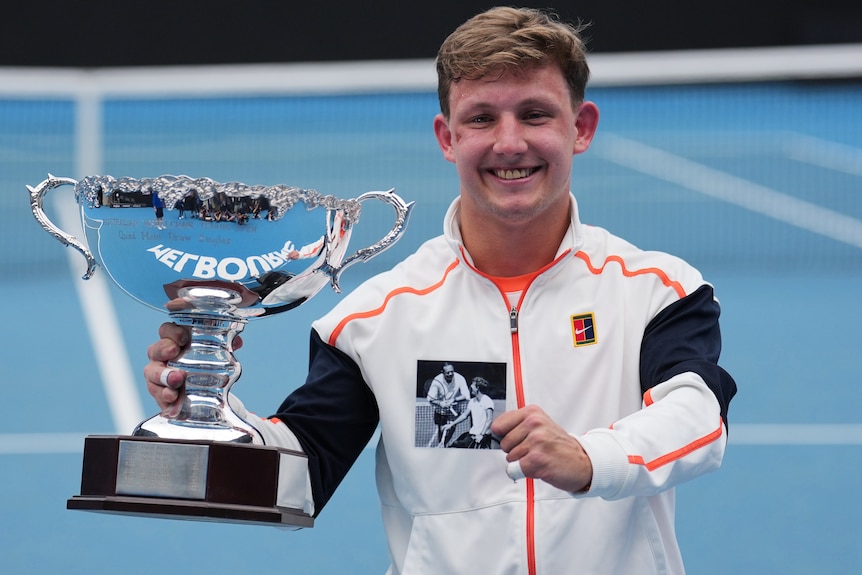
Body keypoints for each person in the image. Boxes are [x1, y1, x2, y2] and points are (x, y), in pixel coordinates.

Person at [145, 6, 736, 574]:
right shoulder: (375, 320)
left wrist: (591, 459)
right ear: (447, 137)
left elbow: (695, 416)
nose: (509, 143)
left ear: (580, 128)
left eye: (535, 114)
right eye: (481, 118)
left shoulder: (658, 291)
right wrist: (209, 408)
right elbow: (296, 479)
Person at [442, 376, 495, 449]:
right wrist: (451, 424)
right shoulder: (472, 401)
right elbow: (464, 415)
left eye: (472, 385)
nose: (470, 387)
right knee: (453, 446)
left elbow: (489, 420)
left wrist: (481, 435)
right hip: (472, 434)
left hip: (483, 436)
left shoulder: (487, 401)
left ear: (477, 388)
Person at [425, 361, 471, 446]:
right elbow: (430, 399)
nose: (450, 374)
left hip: (454, 411)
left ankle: (442, 445)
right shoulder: (437, 380)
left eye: (452, 371)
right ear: (442, 372)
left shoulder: (460, 378)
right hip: (440, 411)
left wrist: (454, 399)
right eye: (448, 372)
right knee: (441, 432)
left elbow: (466, 396)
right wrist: (440, 403)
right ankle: (442, 446)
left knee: (449, 431)